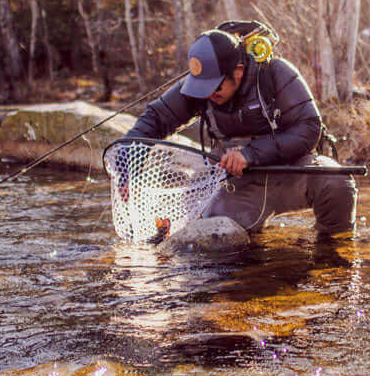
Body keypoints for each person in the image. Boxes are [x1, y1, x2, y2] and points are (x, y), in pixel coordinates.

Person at [124, 28, 356, 236]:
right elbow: (154, 119)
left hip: (291, 169)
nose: (207, 95)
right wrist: (128, 170)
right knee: (216, 242)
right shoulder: (200, 85)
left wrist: (251, 154)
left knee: (337, 183)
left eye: (215, 86)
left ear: (238, 71)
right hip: (236, 183)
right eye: (202, 88)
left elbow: (309, 127)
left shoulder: (276, 72)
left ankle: (333, 251)